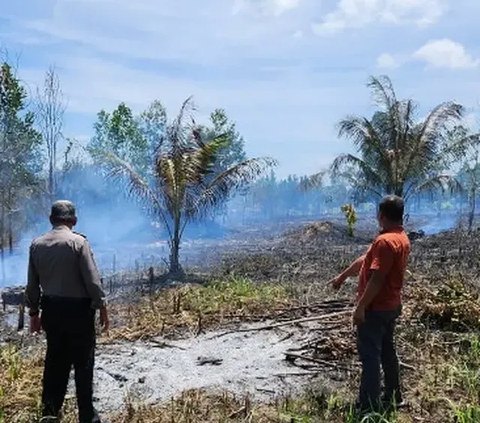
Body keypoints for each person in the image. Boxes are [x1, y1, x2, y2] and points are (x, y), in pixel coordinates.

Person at [25, 200, 109, 423]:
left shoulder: (37, 244)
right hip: (78, 311)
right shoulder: (79, 243)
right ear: (74, 220)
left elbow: (32, 285)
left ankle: (50, 413)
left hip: (51, 309)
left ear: (52, 220)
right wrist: (101, 305)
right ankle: (87, 417)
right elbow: (92, 280)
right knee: (83, 364)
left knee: (55, 362)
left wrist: (34, 313)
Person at [329, 195, 411, 413]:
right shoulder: (399, 238)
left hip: (376, 308)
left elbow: (377, 278)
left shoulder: (385, 242)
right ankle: (393, 396)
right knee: (387, 351)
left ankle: (368, 405)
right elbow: (365, 261)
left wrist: (361, 306)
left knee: (370, 356)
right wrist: (342, 277)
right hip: (391, 306)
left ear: (381, 215)